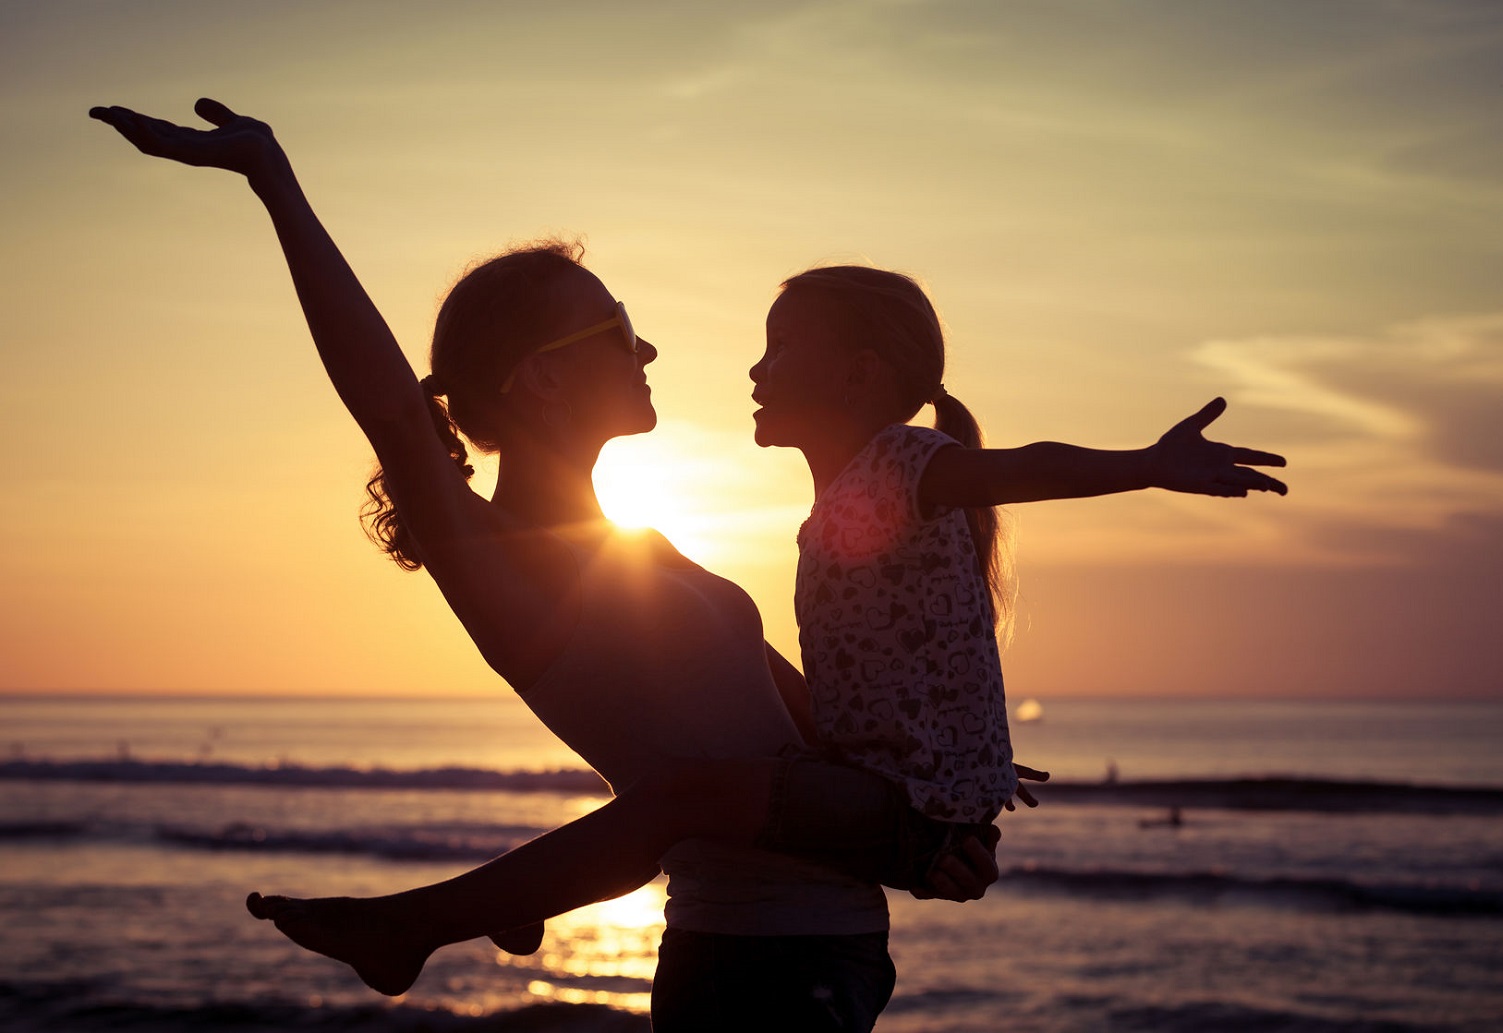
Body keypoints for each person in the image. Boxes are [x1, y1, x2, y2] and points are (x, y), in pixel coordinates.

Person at [89, 98, 1004, 1033]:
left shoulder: (646, 551)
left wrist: (930, 831)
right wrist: (274, 183)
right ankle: (422, 923)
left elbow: (815, 747)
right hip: (753, 963)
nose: (644, 346)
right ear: (542, 378)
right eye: (616, 327)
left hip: (835, 949)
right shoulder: (499, 562)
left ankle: (465, 910)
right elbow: (396, 412)